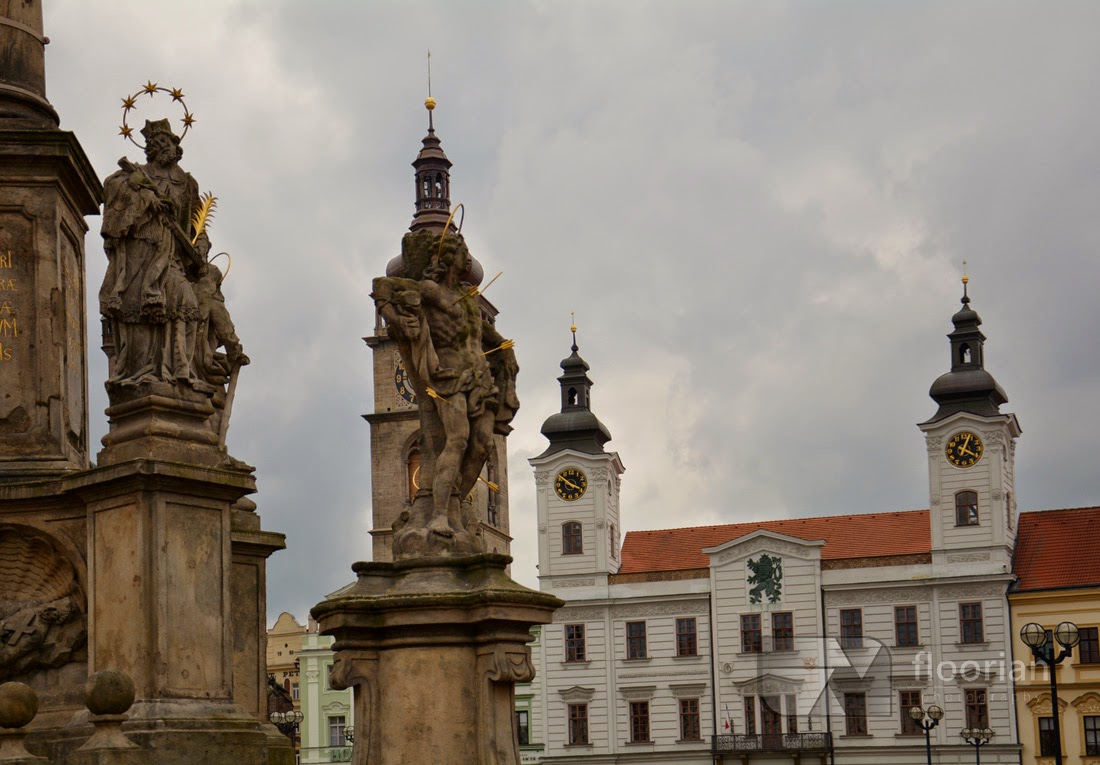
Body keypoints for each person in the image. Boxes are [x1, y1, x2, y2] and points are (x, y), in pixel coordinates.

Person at [374, 236, 514, 539]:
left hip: (480, 379)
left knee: (483, 445)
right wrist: (395, 320)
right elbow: (382, 287)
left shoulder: (468, 301)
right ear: (451, 257)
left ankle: (456, 505)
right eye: (464, 252)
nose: (468, 258)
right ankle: (439, 515)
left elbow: (494, 339)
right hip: (449, 377)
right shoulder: (431, 291)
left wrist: (507, 355)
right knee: (457, 439)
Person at [99, 119, 205, 392]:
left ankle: (179, 370)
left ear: (175, 145)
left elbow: (196, 228)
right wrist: (142, 196)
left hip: (172, 255)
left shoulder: (187, 183)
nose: (164, 147)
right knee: (140, 313)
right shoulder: (133, 176)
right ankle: (145, 371)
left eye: (168, 142)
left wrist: (201, 247)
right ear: (151, 149)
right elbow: (111, 191)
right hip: (139, 251)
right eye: (158, 143)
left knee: (187, 304)